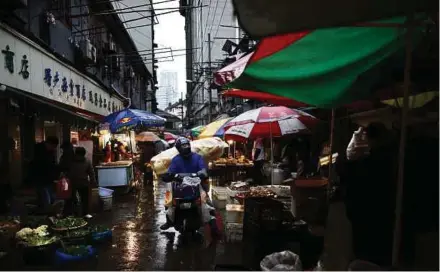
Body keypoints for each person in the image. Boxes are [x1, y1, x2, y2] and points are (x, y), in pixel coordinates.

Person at [160, 137, 216, 234]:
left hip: (196, 185)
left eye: (186, 145)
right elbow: (170, 172)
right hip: (179, 187)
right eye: (183, 146)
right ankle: (169, 221)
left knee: (207, 203)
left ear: (189, 145)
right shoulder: (175, 160)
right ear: (178, 148)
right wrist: (168, 175)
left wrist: (202, 173)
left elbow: (203, 169)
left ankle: (213, 226)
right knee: (168, 198)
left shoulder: (198, 157)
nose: (185, 147)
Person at [28, 136, 60, 213]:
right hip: (40, 179)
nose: (54, 148)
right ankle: (45, 215)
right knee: (46, 199)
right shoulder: (38, 150)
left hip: (48, 179)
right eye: (53, 146)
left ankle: (44, 212)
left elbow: (52, 164)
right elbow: (37, 165)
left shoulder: (50, 152)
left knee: (49, 198)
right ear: (48, 143)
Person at [66, 147, 97, 216]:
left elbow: (67, 172)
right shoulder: (87, 161)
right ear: (84, 153)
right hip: (83, 183)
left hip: (72, 183)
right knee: (84, 199)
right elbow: (91, 173)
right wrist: (93, 182)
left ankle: (74, 213)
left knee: (72, 199)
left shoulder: (71, 161)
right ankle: (85, 213)